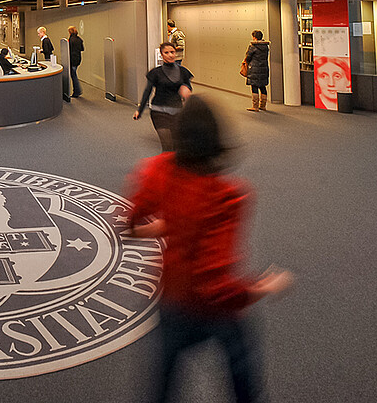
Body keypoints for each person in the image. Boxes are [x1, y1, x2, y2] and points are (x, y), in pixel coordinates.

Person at [123, 96, 294, 403]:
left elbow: (132, 223)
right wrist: (263, 287)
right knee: (243, 373)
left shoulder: (155, 171)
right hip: (215, 310)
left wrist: (165, 225)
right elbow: (215, 285)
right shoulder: (229, 196)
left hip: (172, 296)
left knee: (162, 383)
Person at [134, 42, 193, 151]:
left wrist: (186, 89)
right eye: (166, 53)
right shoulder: (156, 73)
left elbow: (188, 87)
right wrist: (140, 110)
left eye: (172, 52)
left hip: (177, 111)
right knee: (167, 146)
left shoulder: (183, 72)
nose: (170, 55)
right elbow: (148, 91)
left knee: (177, 147)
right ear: (161, 55)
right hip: (159, 111)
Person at [243, 30, 271, 112]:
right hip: (264, 68)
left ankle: (255, 106)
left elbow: (248, 58)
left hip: (254, 69)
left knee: (254, 86)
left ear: (254, 37)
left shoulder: (253, 47)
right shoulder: (266, 47)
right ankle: (263, 106)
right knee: (263, 87)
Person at [68, 26, 84, 98]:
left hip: (72, 59)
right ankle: (77, 91)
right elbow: (82, 49)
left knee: (73, 75)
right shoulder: (79, 39)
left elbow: (68, 50)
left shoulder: (71, 40)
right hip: (78, 59)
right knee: (74, 74)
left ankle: (77, 91)